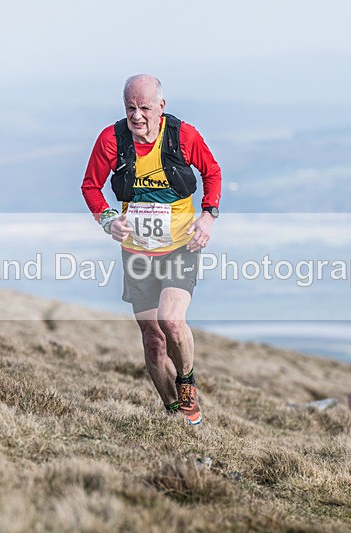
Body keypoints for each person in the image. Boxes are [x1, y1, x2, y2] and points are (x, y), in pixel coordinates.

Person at [81, 74, 222, 425]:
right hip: (137, 250)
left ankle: (186, 380)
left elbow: (213, 172)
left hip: (180, 245)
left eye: (145, 107)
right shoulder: (111, 140)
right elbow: (91, 187)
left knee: (170, 320)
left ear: (161, 106)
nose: (137, 115)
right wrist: (108, 220)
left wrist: (208, 216)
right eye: (131, 107)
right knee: (153, 340)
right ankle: (176, 415)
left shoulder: (183, 136)